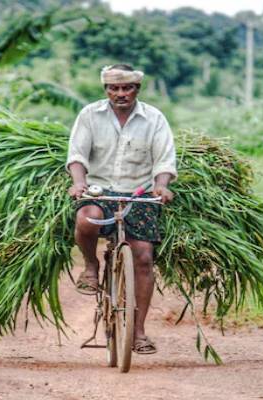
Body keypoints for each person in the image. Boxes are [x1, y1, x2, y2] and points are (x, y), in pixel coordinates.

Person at [65, 64, 177, 355]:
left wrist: (162, 185)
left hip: (138, 194)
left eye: (127, 88)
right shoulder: (90, 114)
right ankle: (91, 266)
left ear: (137, 89)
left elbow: (164, 160)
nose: (120, 94)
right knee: (85, 219)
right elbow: (77, 155)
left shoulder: (154, 118)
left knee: (143, 257)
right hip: (99, 190)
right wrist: (79, 183)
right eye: (114, 88)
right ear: (106, 90)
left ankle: (138, 332)